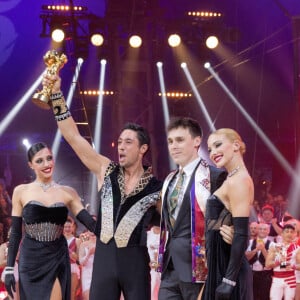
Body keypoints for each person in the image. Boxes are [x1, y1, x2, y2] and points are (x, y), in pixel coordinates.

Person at [42, 75, 162, 300]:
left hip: (136, 262)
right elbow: (72, 136)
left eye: (129, 142)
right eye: (120, 142)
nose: (121, 147)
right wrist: (57, 95)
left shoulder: (157, 188)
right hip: (104, 261)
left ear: (143, 148)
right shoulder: (106, 170)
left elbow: (176, 223)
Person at [3, 142, 96, 300]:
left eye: (49, 158)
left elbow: (91, 223)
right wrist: (10, 268)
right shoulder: (21, 191)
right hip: (31, 257)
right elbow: (16, 232)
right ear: (30, 165)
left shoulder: (68, 192)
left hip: (57, 256)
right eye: (39, 161)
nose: (46, 164)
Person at [157, 117, 228, 300]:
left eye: (180, 140)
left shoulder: (215, 176)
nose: (174, 146)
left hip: (200, 269)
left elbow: (226, 220)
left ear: (197, 141)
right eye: (170, 141)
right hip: (170, 268)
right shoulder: (169, 180)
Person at [203, 128, 254, 300]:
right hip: (220, 263)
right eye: (209, 149)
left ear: (236, 145)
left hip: (227, 270)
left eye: (218, 145)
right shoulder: (232, 178)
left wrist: (229, 281)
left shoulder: (239, 180)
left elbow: (241, 233)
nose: (213, 152)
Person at [265, 223, 299, 300]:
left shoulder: (297, 249)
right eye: (287, 232)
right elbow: (267, 264)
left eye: (291, 232)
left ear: (294, 234)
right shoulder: (274, 246)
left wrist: (293, 266)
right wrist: (278, 262)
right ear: (282, 234)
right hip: (277, 279)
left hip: (290, 278)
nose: (289, 234)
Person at [246, 222, 273, 300]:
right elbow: (246, 258)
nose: (262, 231)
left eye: (265, 229)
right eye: (260, 229)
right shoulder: (250, 242)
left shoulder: (272, 244)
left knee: (264, 296)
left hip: (265, 275)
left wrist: (263, 249)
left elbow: (270, 261)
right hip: (251, 274)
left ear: (268, 231)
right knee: (251, 296)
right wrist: (255, 250)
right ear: (257, 230)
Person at [63, 217, 81, 300]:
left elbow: (79, 258)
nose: (67, 229)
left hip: (72, 267)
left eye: (69, 227)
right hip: (61, 267)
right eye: (65, 227)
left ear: (73, 228)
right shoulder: (59, 240)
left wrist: (72, 254)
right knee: (61, 291)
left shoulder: (77, 240)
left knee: (72, 292)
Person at [78, 228, 96, 300]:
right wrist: (89, 254)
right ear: (87, 232)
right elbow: (81, 263)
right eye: (90, 230)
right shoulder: (83, 245)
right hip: (87, 274)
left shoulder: (102, 245)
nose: (93, 233)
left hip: (100, 274)